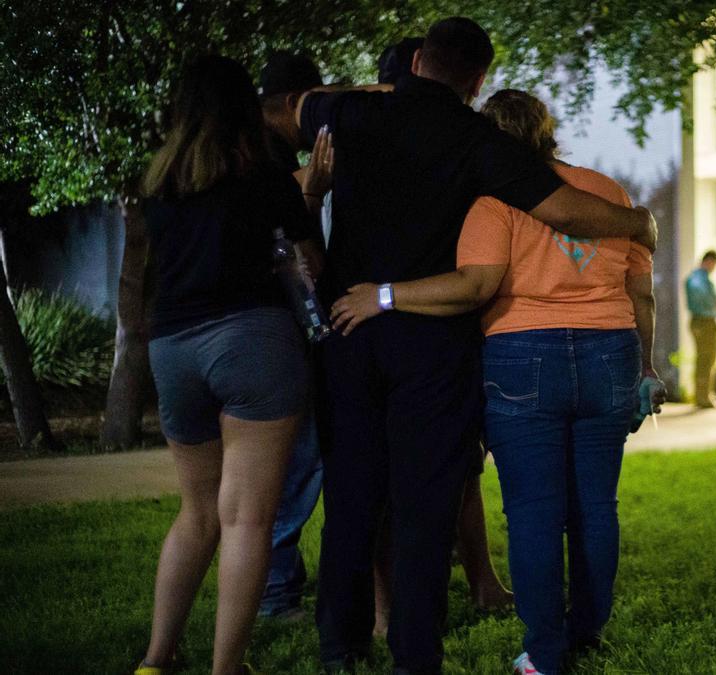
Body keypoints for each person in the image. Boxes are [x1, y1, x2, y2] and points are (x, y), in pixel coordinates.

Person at [288, 17, 657, 674]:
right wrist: (636, 222)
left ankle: (340, 646)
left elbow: (299, 103)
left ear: (418, 61)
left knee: (351, 496)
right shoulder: (478, 144)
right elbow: (565, 213)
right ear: (479, 78)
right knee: (427, 507)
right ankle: (415, 654)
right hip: (434, 345)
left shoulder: (347, 113)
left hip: (352, 330)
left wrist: (382, 92)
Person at [135, 55, 321, 675]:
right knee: (247, 516)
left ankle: (156, 660)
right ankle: (225, 670)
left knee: (196, 512)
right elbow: (309, 262)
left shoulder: (157, 186)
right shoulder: (264, 172)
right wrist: (312, 193)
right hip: (251, 341)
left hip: (172, 348)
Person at [366, 38, 515, 637]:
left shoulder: (449, 148)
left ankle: (471, 584)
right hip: (401, 326)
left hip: (428, 327)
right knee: (404, 478)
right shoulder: (379, 146)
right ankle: (391, 612)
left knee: (456, 469)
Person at [255, 51, 332, 622]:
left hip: (202, 336)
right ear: (290, 105)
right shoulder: (271, 164)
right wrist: (316, 189)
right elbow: (304, 251)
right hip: (271, 334)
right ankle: (275, 593)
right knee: (297, 458)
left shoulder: (214, 154)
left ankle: (273, 587)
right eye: (314, 105)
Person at [685, 250, 716, 407]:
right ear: (709, 261)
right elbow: (703, 297)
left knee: (705, 359)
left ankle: (704, 395)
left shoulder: (699, 278)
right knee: (706, 359)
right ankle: (703, 397)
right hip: (704, 322)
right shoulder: (698, 279)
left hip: (702, 321)